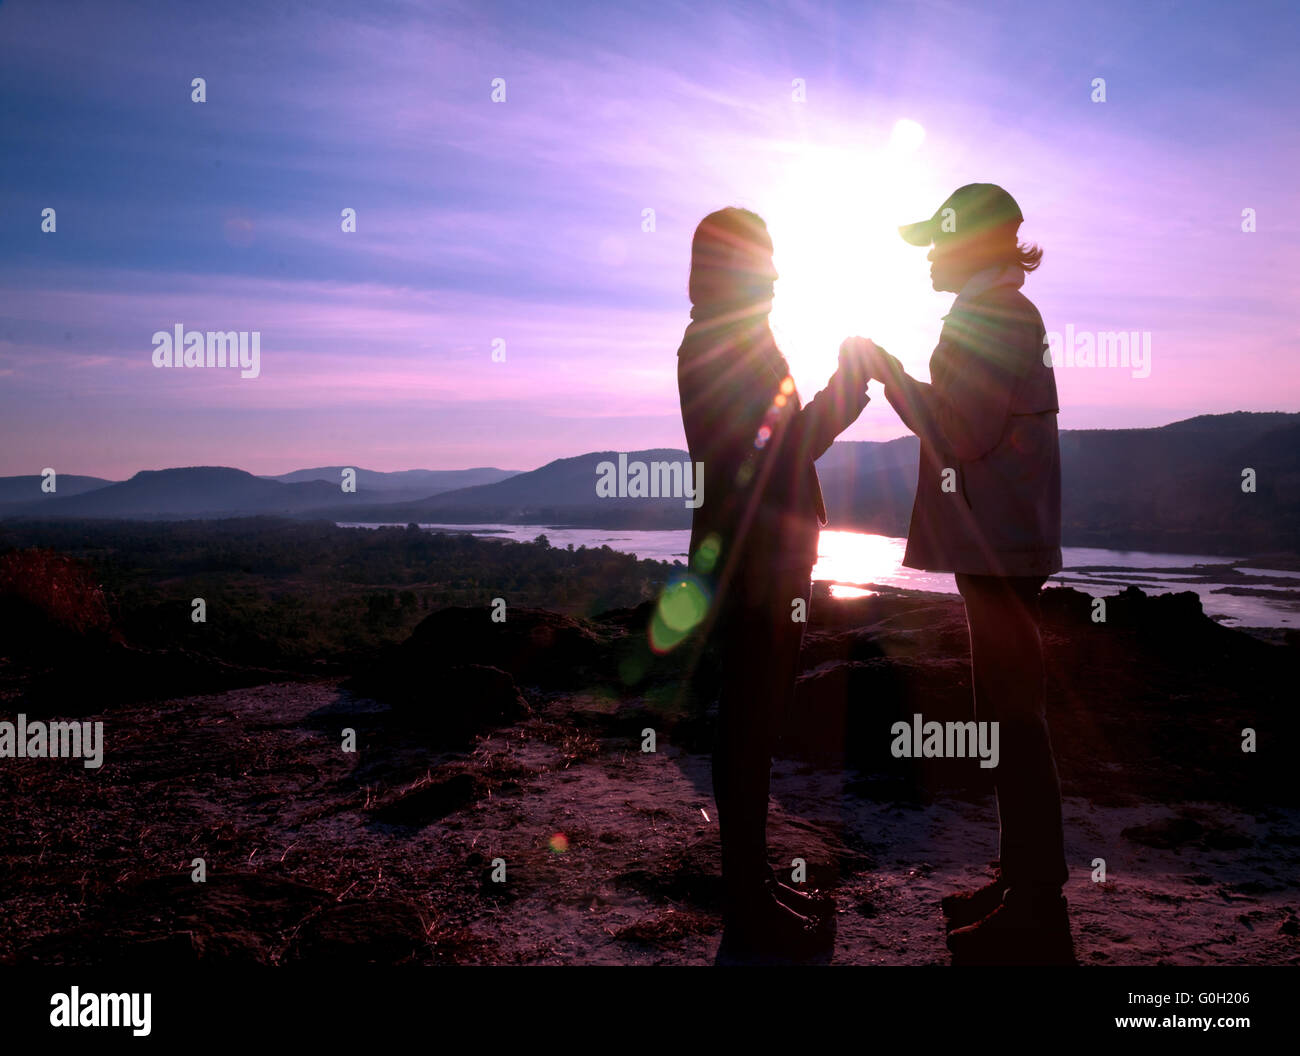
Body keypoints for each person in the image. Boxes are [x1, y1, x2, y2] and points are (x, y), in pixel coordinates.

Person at [842, 183, 1073, 965]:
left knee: (1013, 714)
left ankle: (1038, 904)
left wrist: (893, 374)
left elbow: (962, 431)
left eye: (938, 243)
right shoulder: (1001, 311)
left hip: (1000, 545)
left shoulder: (994, 316)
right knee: (1004, 708)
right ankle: (1020, 883)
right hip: (1001, 541)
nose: (930, 258)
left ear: (974, 244)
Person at [676, 207, 872, 959]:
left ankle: (751, 886)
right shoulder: (725, 343)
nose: (778, 275)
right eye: (764, 260)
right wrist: (850, 386)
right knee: (749, 724)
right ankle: (748, 902)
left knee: (752, 725)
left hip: (755, 556)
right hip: (759, 560)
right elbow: (785, 454)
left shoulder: (725, 337)